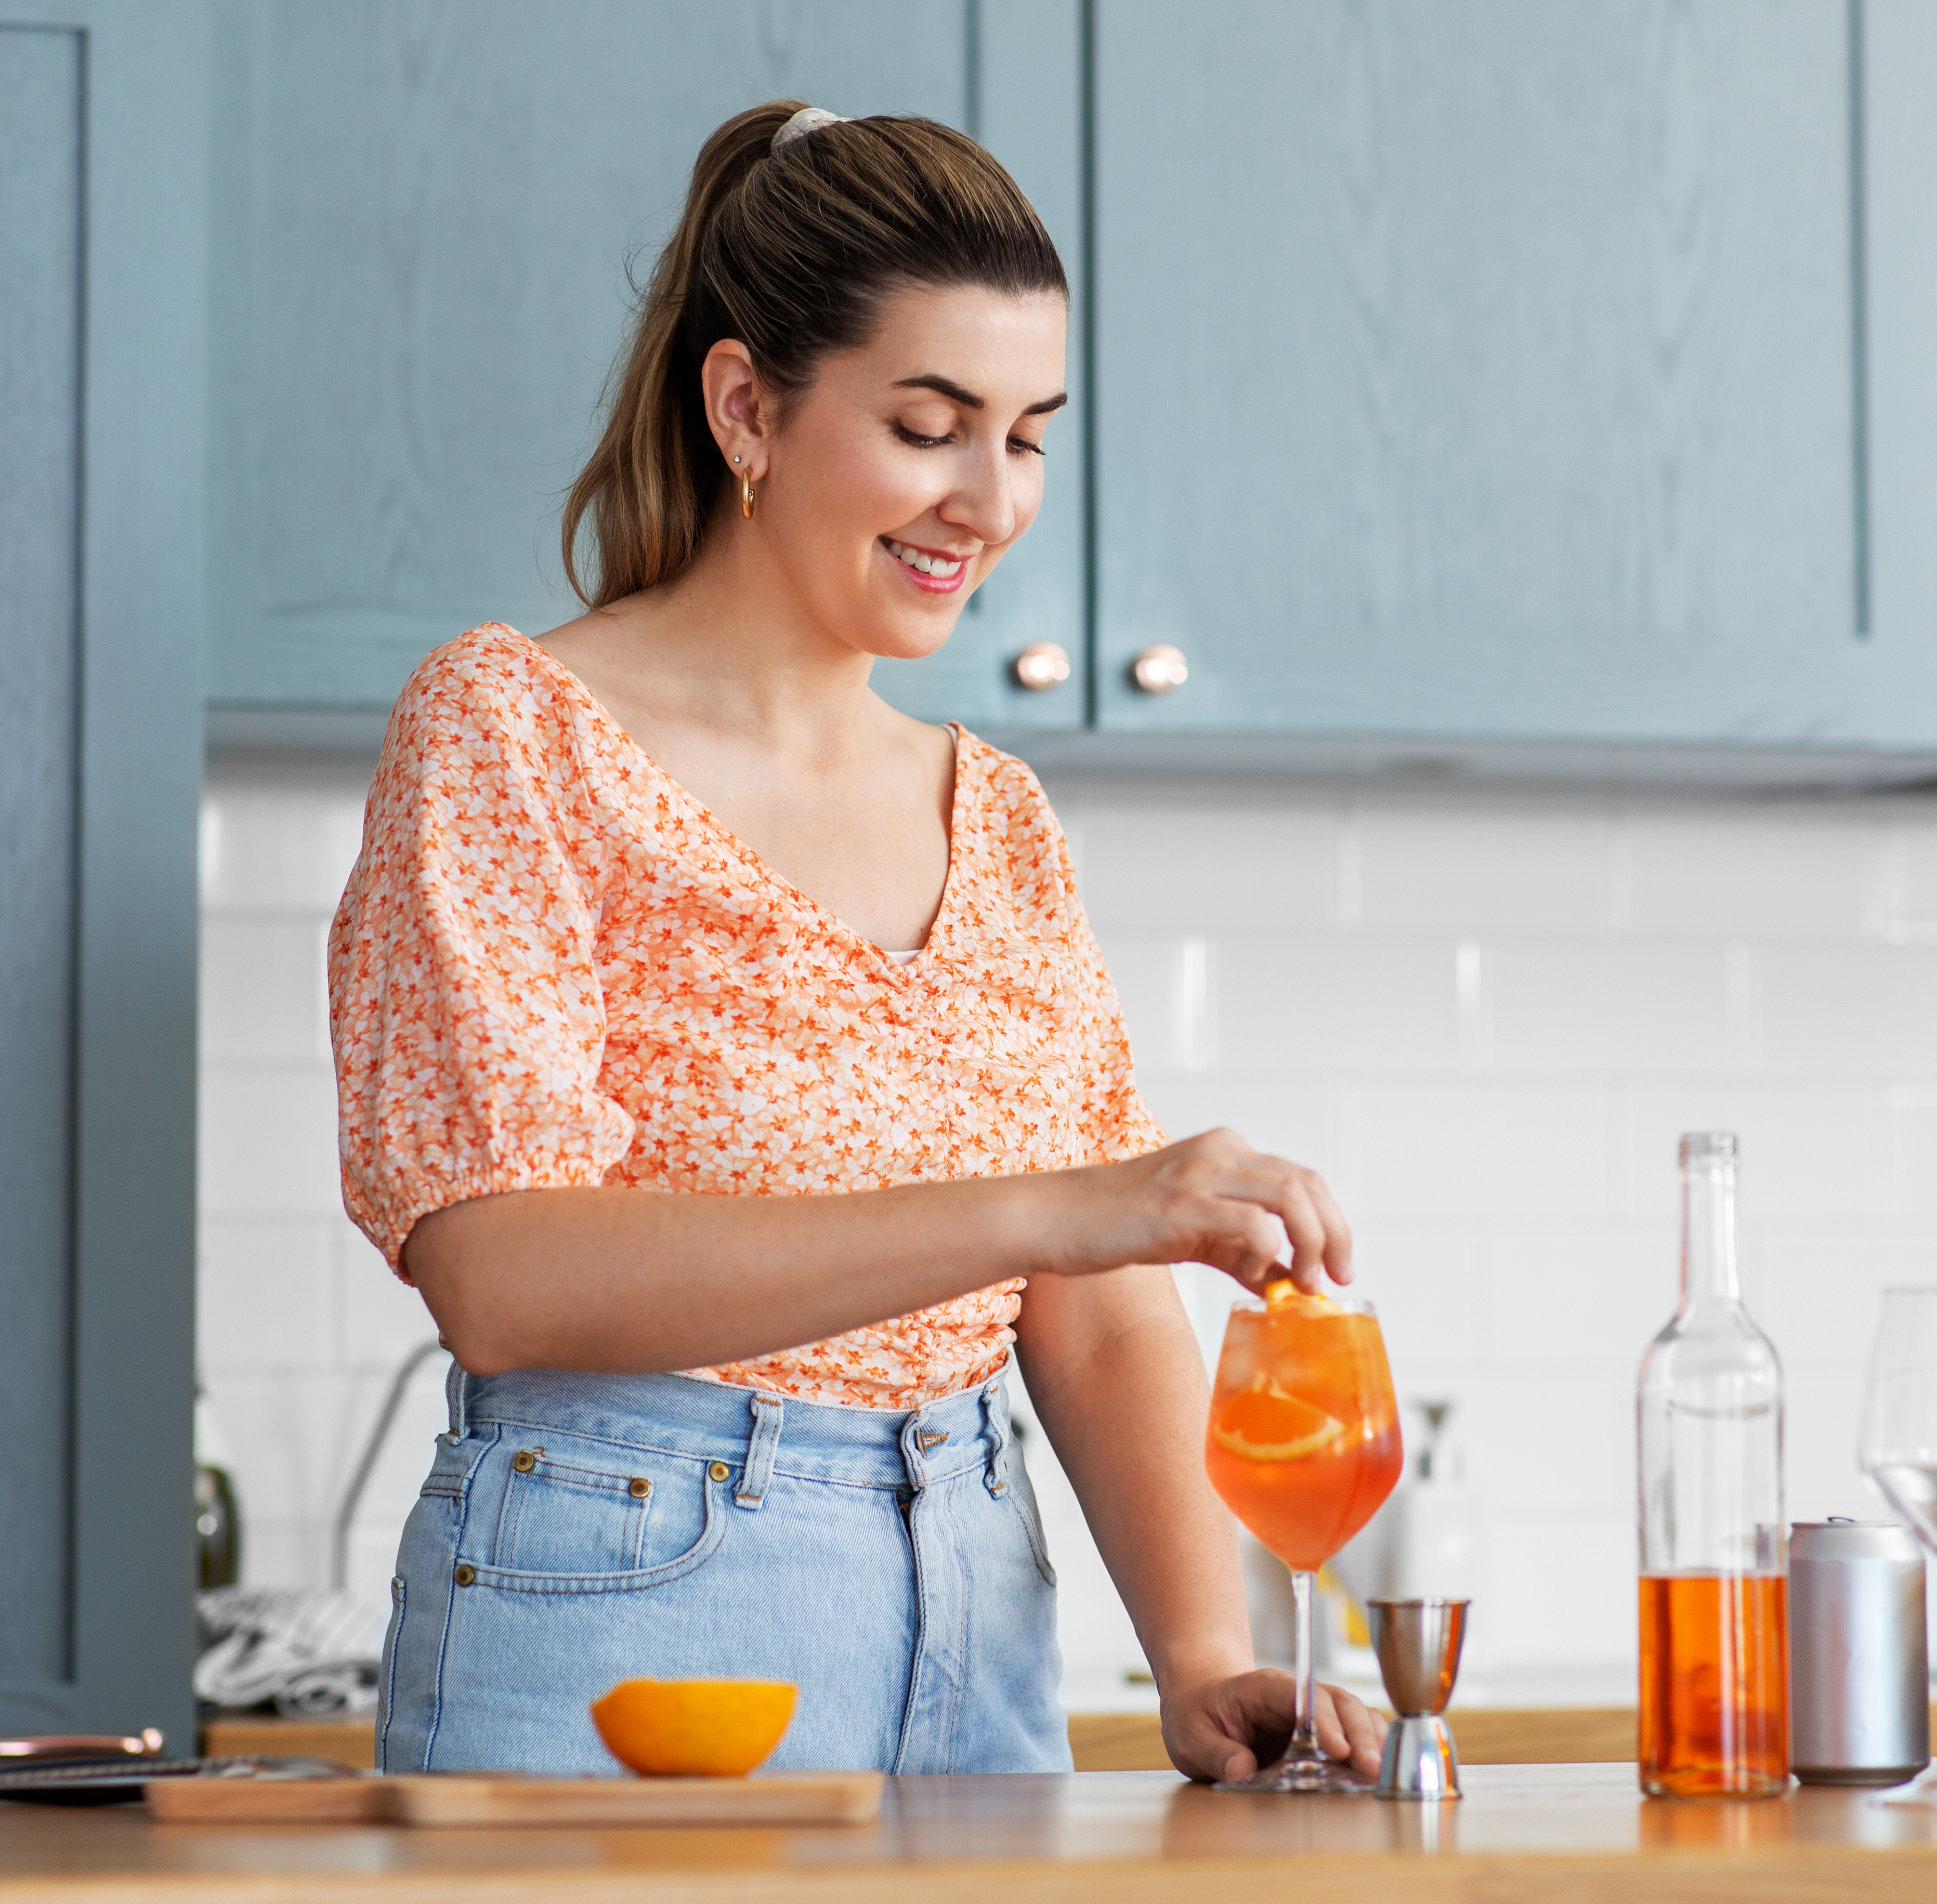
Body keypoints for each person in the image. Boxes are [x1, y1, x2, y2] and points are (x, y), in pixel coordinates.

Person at [330, 100, 1383, 1782]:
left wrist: (1201, 1656)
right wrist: (1063, 1207)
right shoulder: (515, 728)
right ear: (748, 406)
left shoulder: (1001, 815)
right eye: (927, 425)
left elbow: (1096, 1312)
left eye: (1029, 435)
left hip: (979, 1589)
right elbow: (500, 1273)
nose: (990, 499)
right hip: (632, 1600)